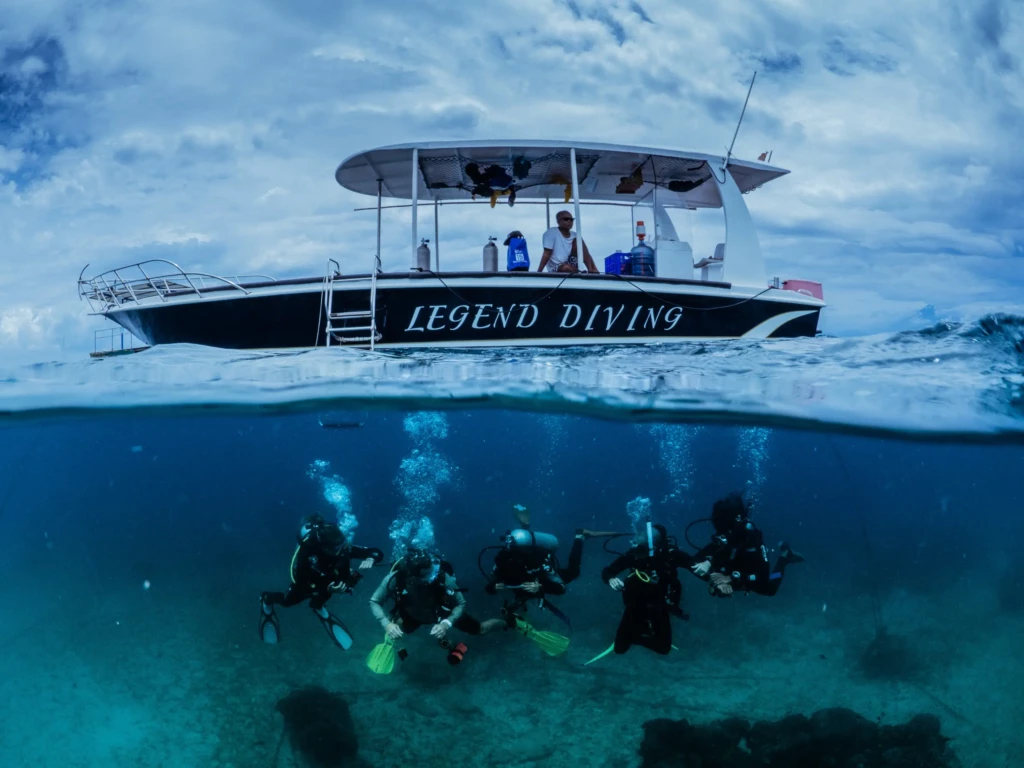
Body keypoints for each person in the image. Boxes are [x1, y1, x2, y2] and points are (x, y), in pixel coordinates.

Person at [259, 514, 384, 649]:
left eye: (342, 545)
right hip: (309, 581)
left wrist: (371, 559)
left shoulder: (342, 546)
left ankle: (317, 605)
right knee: (287, 601)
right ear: (324, 547)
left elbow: (377, 552)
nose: (341, 551)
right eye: (336, 549)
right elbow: (301, 582)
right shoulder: (308, 552)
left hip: (328, 578)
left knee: (335, 583)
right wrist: (327, 589)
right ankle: (266, 599)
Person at [368, 549, 505, 663]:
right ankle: (447, 644)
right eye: (427, 575)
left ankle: (508, 622)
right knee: (394, 629)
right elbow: (375, 601)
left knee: (480, 630)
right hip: (411, 614)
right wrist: (386, 624)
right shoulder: (395, 579)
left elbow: (461, 603)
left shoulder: (443, 578)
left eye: (433, 571)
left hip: (442, 613)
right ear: (411, 577)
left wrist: (446, 623)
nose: (433, 576)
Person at [598, 521, 695, 656]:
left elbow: (694, 564)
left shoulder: (670, 555)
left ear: (653, 548)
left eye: (639, 550)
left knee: (663, 649)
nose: (635, 554)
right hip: (635, 604)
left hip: (659, 604)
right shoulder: (632, 555)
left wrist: (708, 568)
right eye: (635, 549)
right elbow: (608, 571)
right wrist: (611, 579)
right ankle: (639, 631)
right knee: (620, 649)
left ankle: (638, 633)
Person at [688, 493, 804, 598]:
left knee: (770, 588)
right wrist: (713, 576)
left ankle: (784, 557)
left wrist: (731, 579)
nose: (725, 535)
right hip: (733, 572)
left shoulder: (753, 538)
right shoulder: (722, 539)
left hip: (749, 574)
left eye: (728, 530)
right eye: (722, 531)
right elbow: (694, 561)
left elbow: (762, 576)